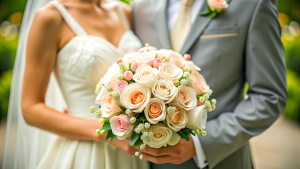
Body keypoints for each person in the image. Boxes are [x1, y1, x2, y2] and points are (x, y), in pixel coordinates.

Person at [131, 0, 287, 168]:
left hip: (221, 161)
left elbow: (270, 96)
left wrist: (201, 143)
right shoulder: (140, 6)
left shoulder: (253, 4)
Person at [3, 0, 148, 169]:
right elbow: (30, 109)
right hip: (85, 151)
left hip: (133, 152)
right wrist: (109, 132)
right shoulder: (50, 17)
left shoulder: (123, 11)